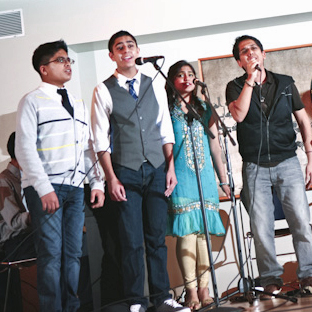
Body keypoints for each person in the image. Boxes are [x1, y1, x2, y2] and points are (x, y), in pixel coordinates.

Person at [90, 30, 189, 312]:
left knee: (157, 238)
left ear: (137, 50)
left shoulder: (154, 83)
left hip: (157, 168)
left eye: (130, 45)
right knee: (131, 241)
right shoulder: (103, 89)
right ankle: (136, 300)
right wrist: (110, 178)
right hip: (125, 172)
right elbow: (99, 140)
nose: (126, 50)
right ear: (112, 55)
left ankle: (163, 298)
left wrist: (170, 168)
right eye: (119, 47)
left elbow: (164, 129)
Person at [225, 35, 312, 298]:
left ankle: (309, 274)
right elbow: (239, 114)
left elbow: (303, 122)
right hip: (255, 166)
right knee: (261, 225)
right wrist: (250, 81)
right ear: (239, 61)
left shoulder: (285, 83)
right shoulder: (234, 87)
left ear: (264, 54)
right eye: (244, 52)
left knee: (300, 219)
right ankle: (270, 278)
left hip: (288, 161)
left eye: (254, 49)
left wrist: (310, 159)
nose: (250, 53)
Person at [15, 40, 105, 312]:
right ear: (44, 69)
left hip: (76, 187)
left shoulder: (77, 103)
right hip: (47, 187)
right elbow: (24, 148)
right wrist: (43, 188)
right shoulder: (32, 101)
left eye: (69, 60)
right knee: (51, 255)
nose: (68, 64)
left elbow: (88, 147)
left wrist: (97, 182)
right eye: (61, 60)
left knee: (74, 255)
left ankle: (72, 308)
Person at [165, 61, 230, 310]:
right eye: (180, 75)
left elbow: (215, 146)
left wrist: (223, 179)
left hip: (204, 177)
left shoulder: (203, 108)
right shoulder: (167, 109)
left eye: (190, 74)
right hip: (180, 176)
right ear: (171, 80)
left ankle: (205, 289)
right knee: (187, 233)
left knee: (203, 234)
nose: (186, 78)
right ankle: (190, 290)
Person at [0, 132, 36, 311]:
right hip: (12, 244)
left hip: (27, 238)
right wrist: (39, 214)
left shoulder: (29, 178)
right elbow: (14, 222)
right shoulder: (4, 180)